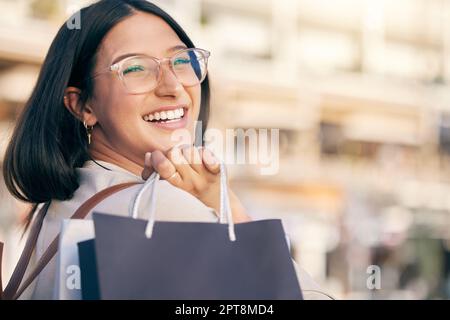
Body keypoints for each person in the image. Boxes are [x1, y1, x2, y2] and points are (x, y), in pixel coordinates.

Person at [2, 0, 331, 300]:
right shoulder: (161, 210)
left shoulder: (57, 207)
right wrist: (228, 208)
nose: (174, 87)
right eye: (135, 68)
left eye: (181, 60)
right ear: (83, 105)